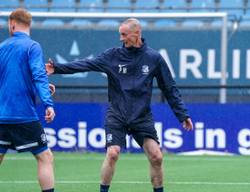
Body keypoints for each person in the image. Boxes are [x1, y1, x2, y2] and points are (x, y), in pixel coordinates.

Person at [46, 18, 193, 192]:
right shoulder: (112, 55)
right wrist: (57, 68)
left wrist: (182, 114)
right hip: (117, 114)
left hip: (142, 116)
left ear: (137, 33)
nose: (121, 38)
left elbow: (169, 88)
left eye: (124, 34)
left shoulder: (154, 58)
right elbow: (86, 64)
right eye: (120, 34)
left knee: (156, 157)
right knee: (113, 153)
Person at [0, 9, 56, 192]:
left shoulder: (2, 47)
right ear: (29, 24)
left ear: (12, 24)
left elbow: (9, 79)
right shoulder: (32, 47)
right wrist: (48, 103)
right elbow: (39, 75)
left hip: (1, 114)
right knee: (45, 157)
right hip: (23, 115)